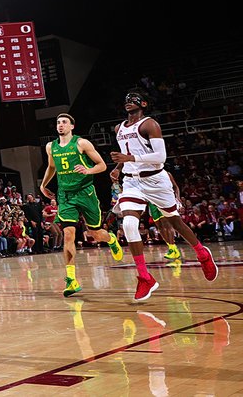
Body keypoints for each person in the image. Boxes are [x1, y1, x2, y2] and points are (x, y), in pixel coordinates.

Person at [110, 91, 217, 302]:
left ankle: (202, 253)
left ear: (143, 104)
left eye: (134, 99)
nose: (129, 101)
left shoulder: (150, 124)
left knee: (175, 222)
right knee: (129, 225)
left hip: (155, 180)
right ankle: (144, 277)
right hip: (131, 181)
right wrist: (118, 167)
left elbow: (160, 156)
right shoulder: (119, 128)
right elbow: (126, 153)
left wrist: (129, 158)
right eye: (126, 99)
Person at [39, 113, 124, 297]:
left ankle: (110, 239)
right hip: (65, 196)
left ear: (72, 126)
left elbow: (102, 165)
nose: (60, 125)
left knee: (95, 233)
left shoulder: (82, 143)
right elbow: (52, 167)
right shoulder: (50, 146)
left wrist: (88, 170)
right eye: (58, 122)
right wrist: (43, 185)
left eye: (64, 122)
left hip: (85, 193)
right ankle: (71, 279)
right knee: (68, 235)